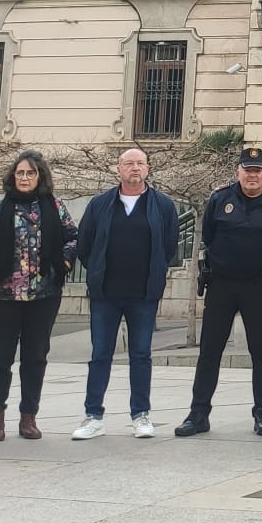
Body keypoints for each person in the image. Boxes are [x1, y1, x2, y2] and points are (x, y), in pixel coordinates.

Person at [176, 146, 262, 438]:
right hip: (223, 285)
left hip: (260, 285)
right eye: (247, 169)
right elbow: (211, 236)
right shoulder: (220, 199)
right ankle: (198, 413)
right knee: (210, 351)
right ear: (238, 171)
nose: (252, 175)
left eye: (258, 170)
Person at [73, 146, 181, 441]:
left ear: (148, 169)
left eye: (140, 163)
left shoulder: (162, 205)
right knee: (100, 354)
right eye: (129, 163)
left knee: (141, 354)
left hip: (143, 294)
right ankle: (93, 416)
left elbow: (169, 247)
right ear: (118, 170)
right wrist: (97, 269)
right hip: (106, 293)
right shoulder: (99, 204)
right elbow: (85, 244)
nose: (135, 168)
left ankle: (140, 414)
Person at [0, 149, 78, 441]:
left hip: (43, 294)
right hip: (2, 295)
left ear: (40, 177)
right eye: (20, 173)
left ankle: (28, 416)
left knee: (35, 357)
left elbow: (73, 236)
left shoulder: (55, 206)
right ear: (13, 176)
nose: (24, 178)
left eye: (30, 173)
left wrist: (64, 261)